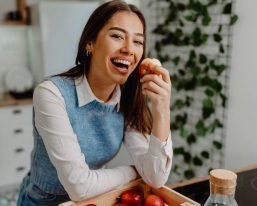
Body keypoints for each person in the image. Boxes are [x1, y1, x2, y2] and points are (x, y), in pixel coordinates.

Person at [17, 0, 173, 205]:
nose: (129, 49)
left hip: (96, 200)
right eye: (117, 36)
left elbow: (156, 177)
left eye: (138, 41)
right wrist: (134, 171)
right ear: (89, 42)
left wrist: (162, 110)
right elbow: (80, 186)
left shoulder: (127, 98)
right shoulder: (51, 94)